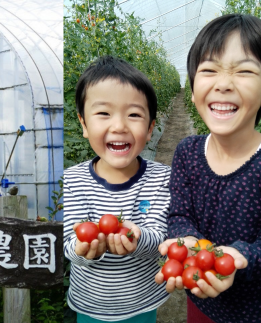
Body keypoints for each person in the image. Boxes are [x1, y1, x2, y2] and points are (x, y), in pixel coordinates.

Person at [154, 13, 261, 323]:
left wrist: (245, 257)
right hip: (200, 299)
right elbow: (180, 213)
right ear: (192, 88)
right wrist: (185, 240)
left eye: (244, 71)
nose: (223, 84)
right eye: (209, 70)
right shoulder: (187, 152)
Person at [63, 56, 171, 323]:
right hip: (89, 304)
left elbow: (160, 237)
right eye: (103, 113)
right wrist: (83, 248)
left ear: (150, 129)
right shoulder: (73, 180)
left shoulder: (161, 178)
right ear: (84, 124)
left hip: (143, 301)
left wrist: (138, 238)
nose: (120, 126)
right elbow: (67, 242)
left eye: (134, 114)